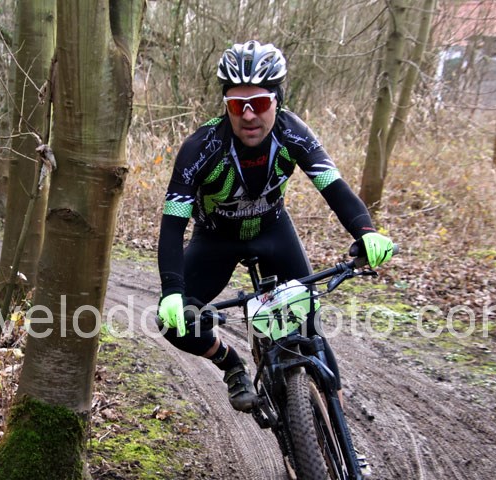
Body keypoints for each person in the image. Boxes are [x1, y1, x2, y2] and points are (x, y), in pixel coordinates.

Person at [156, 40, 394, 412]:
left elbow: (333, 187)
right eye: (238, 105)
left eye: (260, 103)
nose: (249, 116)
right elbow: (172, 225)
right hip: (215, 240)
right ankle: (232, 365)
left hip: (273, 232)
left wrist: (365, 231)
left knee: (309, 326)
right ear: (226, 106)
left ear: (277, 101)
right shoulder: (200, 147)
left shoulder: (292, 132)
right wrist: (172, 290)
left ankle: (337, 418)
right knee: (172, 324)